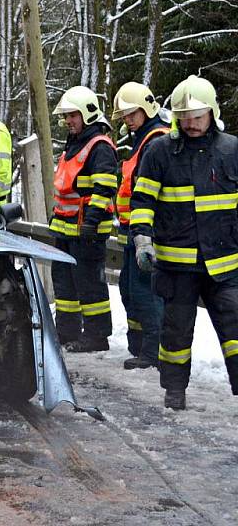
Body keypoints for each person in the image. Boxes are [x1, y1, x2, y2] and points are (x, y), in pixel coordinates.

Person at [130, 75, 238, 410]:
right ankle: (174, 390)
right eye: (184, 116)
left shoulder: (232, 150)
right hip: (177, 264)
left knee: (236, 328)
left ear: (212, 113)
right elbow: (143, 200)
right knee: (176, 333)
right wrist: (142, 240)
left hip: (225, 261)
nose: (190, 123)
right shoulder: (160, 151)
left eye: (197, 116)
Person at [49, 86, 118, 352]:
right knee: (65, 282)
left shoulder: (99, 146)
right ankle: (66, 331)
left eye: (73, 115)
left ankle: (97, 336)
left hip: (86, 229)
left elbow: (105, 188)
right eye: (66, 116)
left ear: (88, 114)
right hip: (66, 226)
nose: (68, 121)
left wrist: (92, 221)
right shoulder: (75, 142)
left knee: (90, 284)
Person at [112, 82, 169, 370]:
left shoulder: (156, 140)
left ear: (146, 109)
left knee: (145, 289)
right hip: (134, 228)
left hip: (147, 230)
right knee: (130, 287)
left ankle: (153, 351)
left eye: (131, 114)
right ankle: (141, 346)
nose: (127, 120)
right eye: (124, 116)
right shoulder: (145, 138)